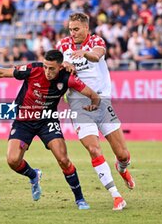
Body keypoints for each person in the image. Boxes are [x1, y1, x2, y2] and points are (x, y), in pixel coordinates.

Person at [0, 50, 101, 210]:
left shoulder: (68, 78)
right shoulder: (32, 70)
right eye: (45, 67)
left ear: (60, 67)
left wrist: (94, 105)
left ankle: (80, 199)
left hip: (47, 120)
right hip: (24, 120)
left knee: (63, 160)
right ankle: (33, 175)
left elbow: (94, 96)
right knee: (12, 160)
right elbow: (1, 73)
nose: (47, 72)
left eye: (52, 69)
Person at [56, 12, 135, 211]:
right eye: (70, 29)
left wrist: (85, 54)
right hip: (78, 105)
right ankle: (116, 196)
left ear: (86, 29)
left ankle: (122, 168)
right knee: (93, 149)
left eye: (76, 29)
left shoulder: (96, 41)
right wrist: (63, 66)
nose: (72, 33)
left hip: (101, 102)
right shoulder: (63, 45)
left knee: (123, 154)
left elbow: (97, 54)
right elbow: (54, 68)